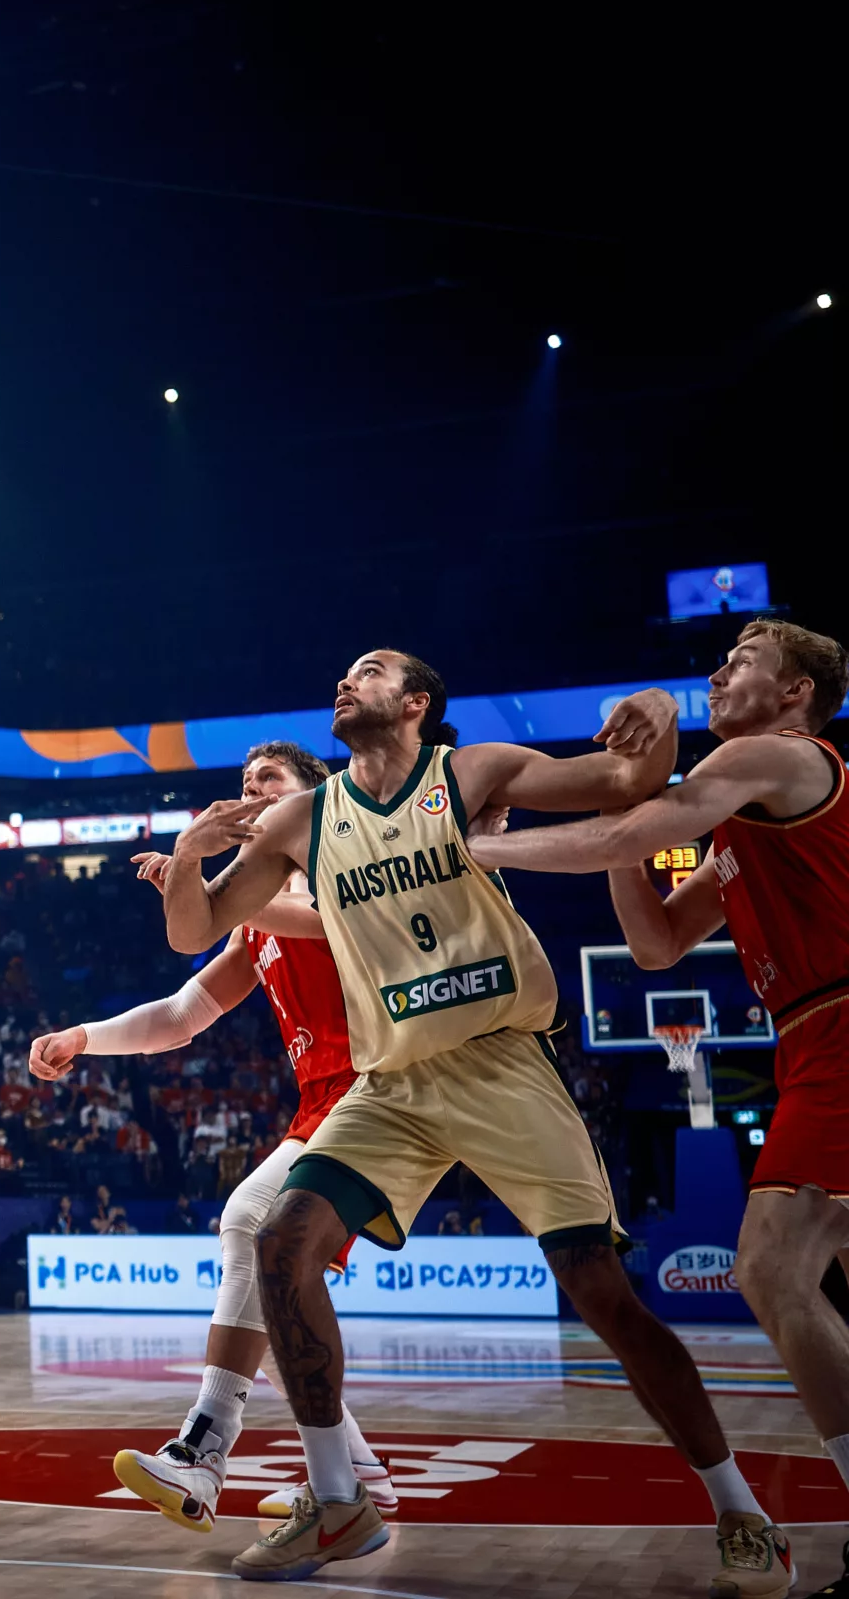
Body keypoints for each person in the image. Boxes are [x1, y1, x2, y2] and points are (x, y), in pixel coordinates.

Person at [161, 649, 783, 1590]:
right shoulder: (302, 820)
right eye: (343, 673)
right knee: (280, 1238)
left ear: (415, 703)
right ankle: (339, 1501)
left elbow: (626, 780)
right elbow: (194, 928)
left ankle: (740, 1508)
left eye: (368, 671)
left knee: (602, 1292)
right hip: (391, 1082)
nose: (345, 680)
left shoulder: (470, 772)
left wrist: (657, 705)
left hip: (500, 1063)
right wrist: (186, 857)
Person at [468, 618, 848, 1597]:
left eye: (745, 661)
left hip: (840, 1022)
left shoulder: (774, 754)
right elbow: (655, 946)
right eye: (718, 662)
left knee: (769, 1268)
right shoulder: (738, 810)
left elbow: (633, 828)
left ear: (797, 691)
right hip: (806, 1034)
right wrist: (627, 810)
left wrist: (477, 853)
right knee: (811, 1276)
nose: (720, 671)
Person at [32, 740, 398, 1530]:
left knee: (250, 1222)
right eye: (242, 781)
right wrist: (84, 1036)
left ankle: (204, 1451)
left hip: (389, 1097)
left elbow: (296, 918)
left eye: (268, 779)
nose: (249, 788)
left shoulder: (346, 865)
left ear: (313, 795)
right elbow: (180, 1015)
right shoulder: (255, 918)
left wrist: (196, 879)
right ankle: (356, 1467)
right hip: (325, 1104)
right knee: (274, 1279)